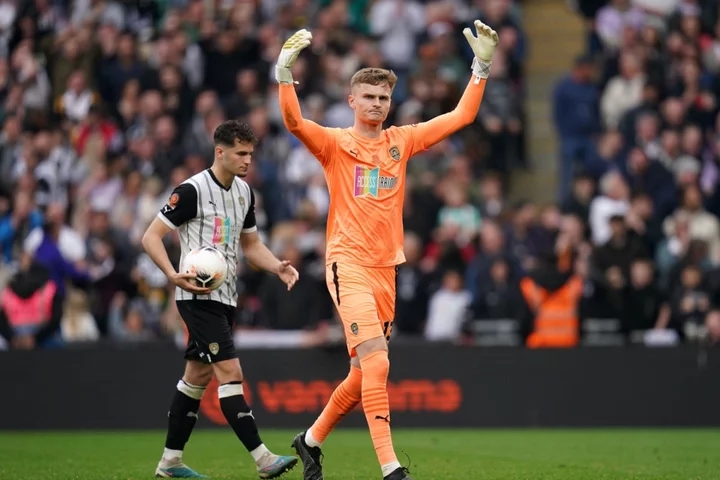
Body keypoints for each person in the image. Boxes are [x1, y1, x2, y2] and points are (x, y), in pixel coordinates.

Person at [277, 20, 499, 480]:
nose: (377, 104)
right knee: (379, 362)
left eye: (384, 98)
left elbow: (460, 118)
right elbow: (295, 122)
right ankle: (391, 468)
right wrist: (284, 75)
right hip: (348, 264)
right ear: (352, 101)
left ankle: (310, 440)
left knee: (362, 375)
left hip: (387, 270)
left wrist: (481, 67)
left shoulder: (402, 141)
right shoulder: (337, 145)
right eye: (370, 97)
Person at [141, 120, 299, 479]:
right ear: (220, 152)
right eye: (241, 154)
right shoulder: (192, 190)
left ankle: (170, 462)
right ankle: (263, 459)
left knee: (196, 377)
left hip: (227, 298)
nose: (247, 160)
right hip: (196, 296)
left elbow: (252, 246)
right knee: (231, 371)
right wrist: (171, 273)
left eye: (250, 154)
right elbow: (151, 237)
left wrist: (279, 268)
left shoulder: (245, 193)